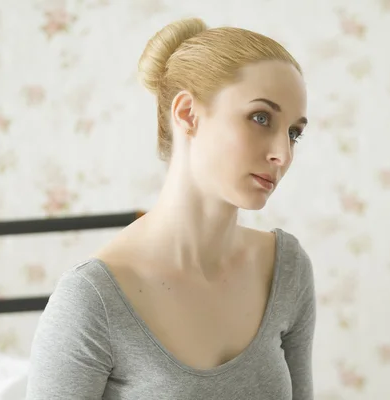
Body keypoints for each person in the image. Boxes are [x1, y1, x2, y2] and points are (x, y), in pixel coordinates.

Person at [26, 17, 316, 400]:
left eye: (294, 132)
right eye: (261, 118)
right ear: (187, 114)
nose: (282, 153)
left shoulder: (287, 269)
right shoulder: (92, 300)